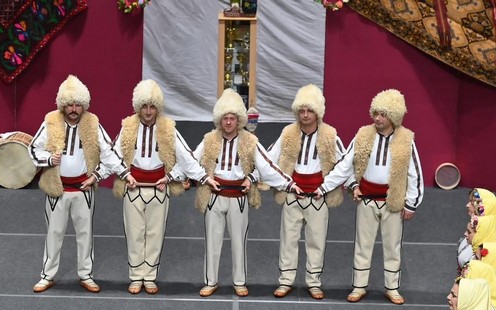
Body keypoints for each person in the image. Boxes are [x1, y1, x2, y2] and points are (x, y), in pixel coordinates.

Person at [28, 74, 135, 294]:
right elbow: (32, 149)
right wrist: (48, 160)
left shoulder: (92, 123)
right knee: (54, 233)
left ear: (84, 105)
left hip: (83, 189)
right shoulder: (51, 121)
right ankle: (47, 275)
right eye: (70, 104)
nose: (74, 109)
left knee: (85, 234)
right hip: (57, 189)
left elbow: (109, 153)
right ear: (63, 105)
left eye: (78, 104)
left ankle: (86, 275)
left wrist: (108, 175)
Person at [193, 88, 301, 297]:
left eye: (232, 118)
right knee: (212, 241)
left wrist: (287, 183)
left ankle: (239, 281)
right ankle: (210, 281)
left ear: (239, 119)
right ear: (219, 119)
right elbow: (191, 160)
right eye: (225, 118)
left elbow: (267, 166)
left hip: (238, 198)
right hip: (214, 195)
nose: (228, 122)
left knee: (238, 242)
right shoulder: (209, 139)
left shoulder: (250, 141)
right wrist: (202, 178)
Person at [320, 89, 424, 304]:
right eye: (375, 113)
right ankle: (359, 286)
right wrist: (339, 185)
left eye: (383, 114)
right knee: (362, 244)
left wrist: (412, 204)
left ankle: (392, 288)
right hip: (366, 200)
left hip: (392, 203)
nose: (377, 118)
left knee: (392, 246)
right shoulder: (363, 135)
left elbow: (415, 174)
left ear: (394, 115)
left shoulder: (406, 139)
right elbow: (345, 164)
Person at [112, 79, 206, 294]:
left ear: (158, 107)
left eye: (152, 106)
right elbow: (113, 155)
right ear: (138, 106)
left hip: (159, 188)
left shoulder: (168, 128)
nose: (148, 111)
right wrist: (122, 174)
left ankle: (150, 276)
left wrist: (192, 177)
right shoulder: (128, 127)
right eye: (144, 106)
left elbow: (186, 158)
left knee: (155, 233)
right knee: (134, 232)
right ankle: (136, 276)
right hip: (134, 187)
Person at [266, 84, 345, 299]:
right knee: (288, 239)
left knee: (316, 240)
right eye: (301, 110)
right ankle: (285, 280)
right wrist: (279, 182)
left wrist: (332, 186)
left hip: (318, 196)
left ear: (318, 112)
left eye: (309, 110)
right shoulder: (288, 133)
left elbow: (344, 163)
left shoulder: (329, 135)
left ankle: (314, 281)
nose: (305, 115)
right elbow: (268, 158)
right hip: (293, 195)